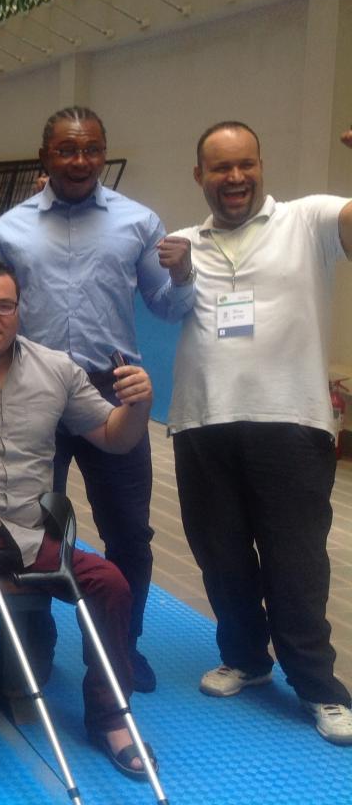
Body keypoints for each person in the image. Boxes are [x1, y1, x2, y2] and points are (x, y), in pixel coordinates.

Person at [0, 105, 195, 691]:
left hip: (111, 390)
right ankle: (35, 643)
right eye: (66, 150)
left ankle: (121, 647)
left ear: (104, 154)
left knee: (129, 531)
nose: (79, 161)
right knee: (28, 526)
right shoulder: (10, 228)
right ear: (44, 155)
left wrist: (183, 276)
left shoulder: (139, 222)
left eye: (91, 150)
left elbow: (167, 307)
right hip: (30, 389)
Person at [0, 256, 157, 794]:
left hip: (25, 527)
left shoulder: (57, 368)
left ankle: (110, 716)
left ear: (20, 311)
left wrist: (138, 405)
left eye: (4, 305)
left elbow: (113, 436)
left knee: (109, 583)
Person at [167, 121, 352, 744]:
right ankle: (246, 658)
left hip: (291, 421)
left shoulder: (309, 220)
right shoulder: (181, 243)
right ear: (201, 176)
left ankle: (319, 687)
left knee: (295, 560)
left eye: (245, 164)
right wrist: (177, 274)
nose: (235, 177)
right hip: (201, 421)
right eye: (220, 167)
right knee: (220, 555)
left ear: (261, 165)